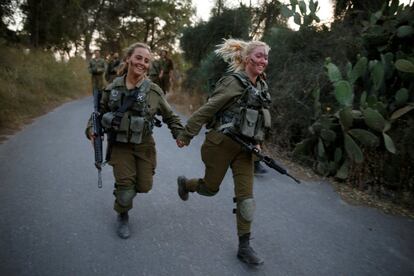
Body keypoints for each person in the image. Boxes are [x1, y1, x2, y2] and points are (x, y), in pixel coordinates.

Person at [176, 38, 271, 265]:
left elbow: (259, 121)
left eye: (266, 57)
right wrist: (187, 133)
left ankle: (244, 247)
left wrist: (258, 144)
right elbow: (209, 108)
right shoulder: (232, 82)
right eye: (259, 56)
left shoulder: (262, 86)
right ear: (247, 58)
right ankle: (186, 184)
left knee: (246, 200)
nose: (263, 60)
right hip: (219, 144)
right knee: (210, 189)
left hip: (244, 151)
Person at [85, 42, 184, 239]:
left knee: (144, 186)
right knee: (125, 191)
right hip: (120, 146)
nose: (142, 63)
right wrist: (91, 130)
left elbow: (171, 116)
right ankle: (123, 212)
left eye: (147, 61)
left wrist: (179, 134)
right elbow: (99, 113)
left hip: (144, 145)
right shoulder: (113, 88)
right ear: (129, 59)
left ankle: (126, 189)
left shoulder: (154, 91)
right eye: (138, 58)